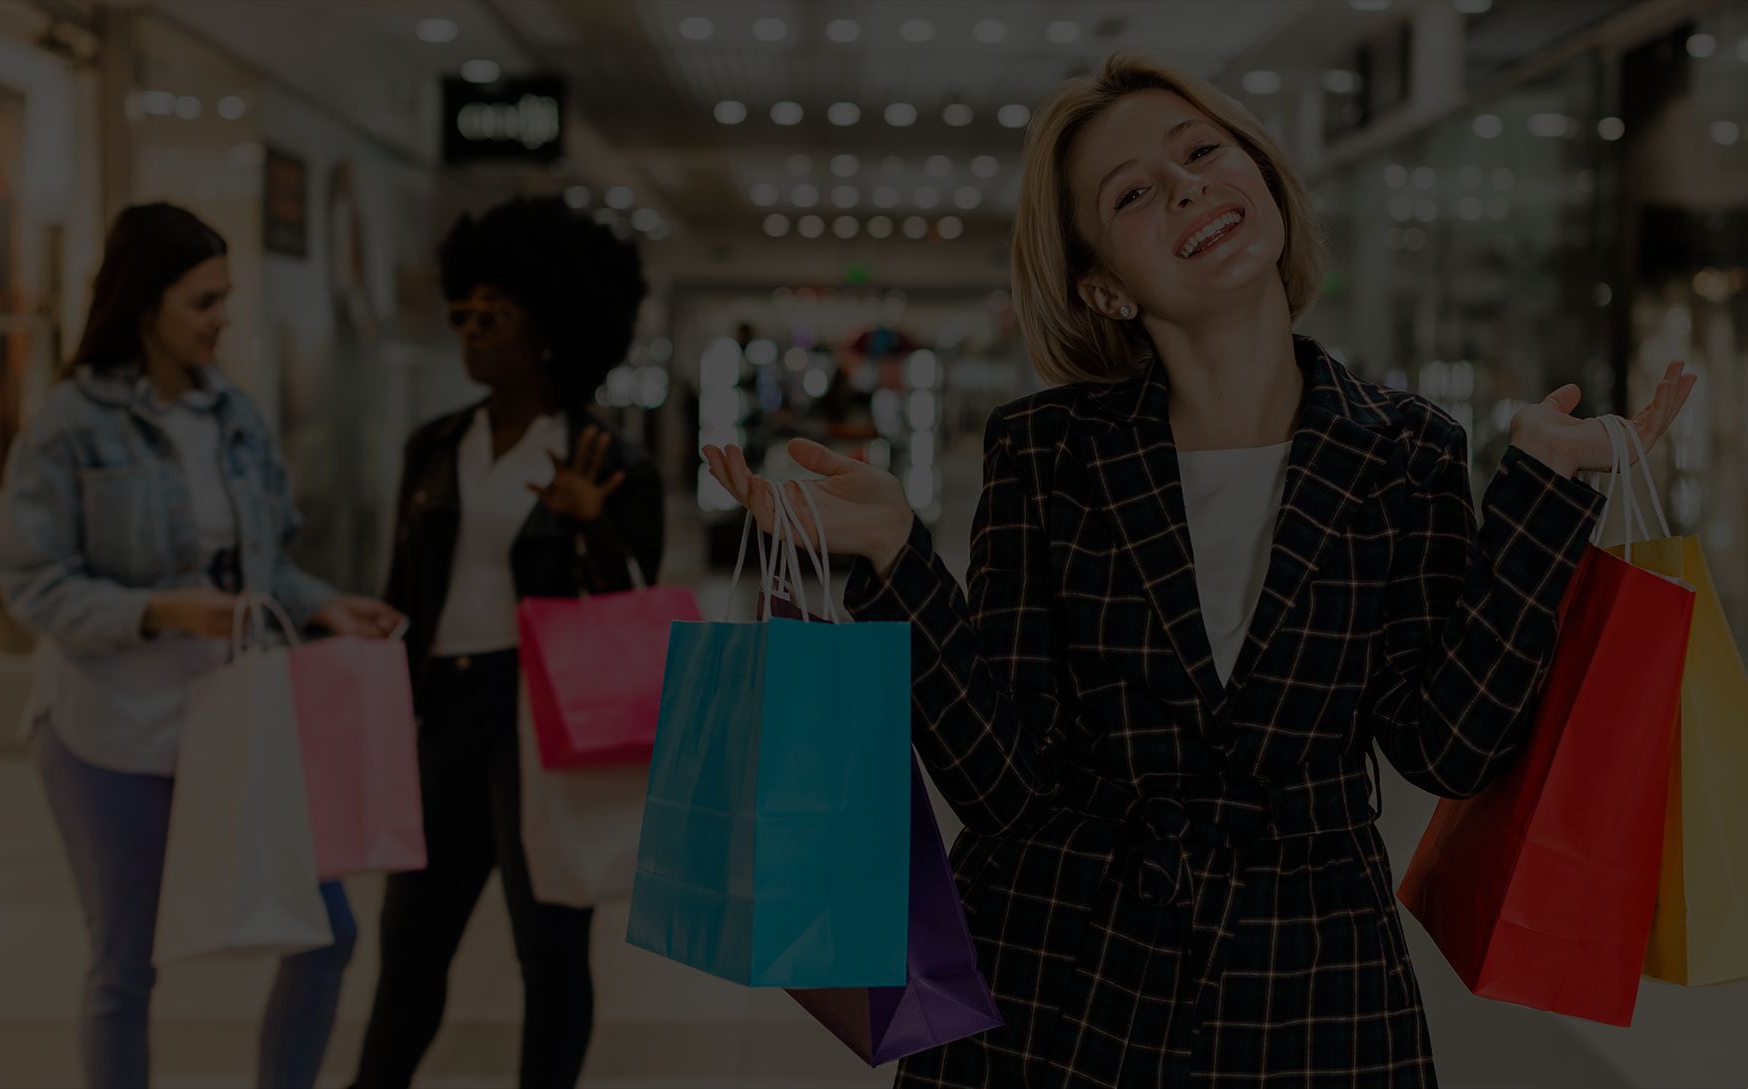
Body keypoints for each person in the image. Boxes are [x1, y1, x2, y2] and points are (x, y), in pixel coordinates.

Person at [702, 53, 1696, 1088]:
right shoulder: (1044, 452)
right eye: (1131, 193)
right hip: (1057, 981)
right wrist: (896, 560)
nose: (1184, 186)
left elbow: (1448, 745)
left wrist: (1542, 491)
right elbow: (1004, 788)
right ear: (1103, 287)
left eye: (1202, 151)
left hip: (1313, 986)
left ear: (1262, 177)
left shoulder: (1406, 449)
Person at [0, 202, 402, 1089]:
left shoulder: (235, 416)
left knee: (327, 932)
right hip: (106, 725)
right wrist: (161, 611)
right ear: (145, 304)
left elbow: (265, 565)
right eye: (203, 301)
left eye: (225, 298)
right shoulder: (68, 423)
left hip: (230, 714)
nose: (222, 318)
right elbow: (34, 582)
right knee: (126, 962)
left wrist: (326, 606)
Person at [353, 197, 662, 1089]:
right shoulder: (435, 445)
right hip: (446, 710)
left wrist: (589, 526)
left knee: (549, 943)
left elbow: (633, 608)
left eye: (494, 314)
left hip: (540, 718)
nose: (471, 331)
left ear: (551, 325)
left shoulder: (608, 459)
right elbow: (404, 585)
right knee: (410, 938)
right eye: (462, 313)